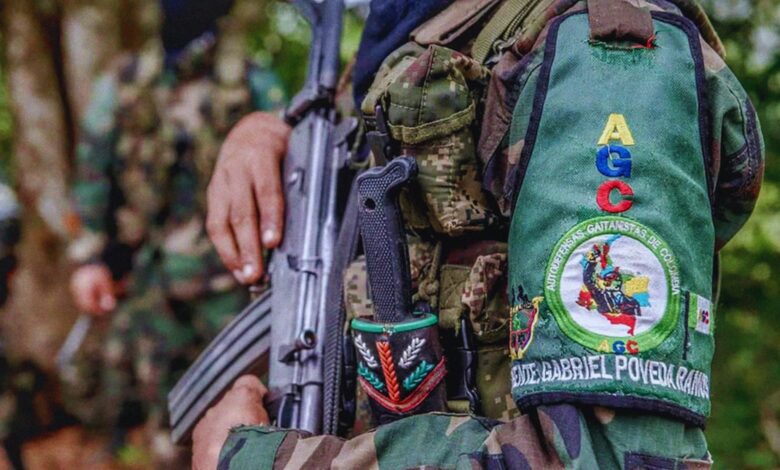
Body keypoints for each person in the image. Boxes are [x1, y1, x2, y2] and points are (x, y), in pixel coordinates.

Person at [195, 0, 765, 468]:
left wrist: (258, 461)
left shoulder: (602, 54)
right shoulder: (428, 27)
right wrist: (281, 138)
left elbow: (607, 459)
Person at [65, 0, 284, 462]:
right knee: (163, 414)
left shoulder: (248, 81)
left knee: (245, 403)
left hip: (234, 282)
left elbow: (287, 162)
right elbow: (93, 172)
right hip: (151, 280)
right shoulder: (127, 83)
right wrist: (89, 259)